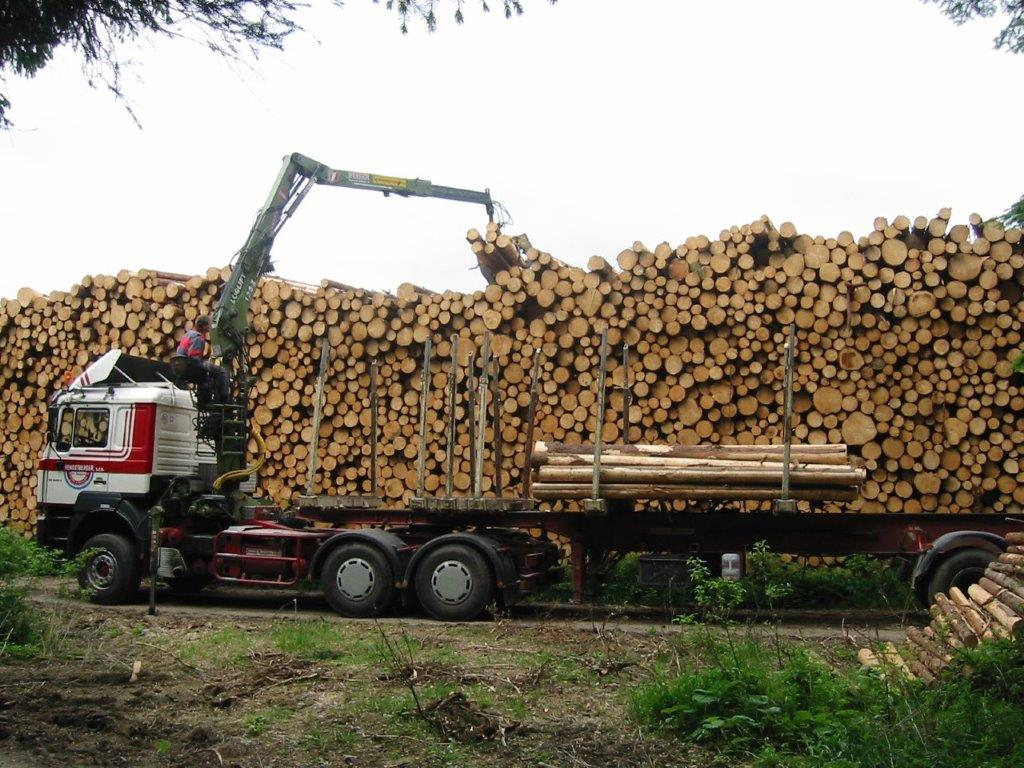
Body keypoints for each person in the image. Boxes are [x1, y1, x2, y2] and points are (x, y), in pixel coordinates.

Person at [174, 315, 230, 402]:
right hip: (190, 366)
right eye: (209, 324)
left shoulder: (188, 334)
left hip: (181, 366)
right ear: (204, 326)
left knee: (206, 376)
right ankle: (223, 401)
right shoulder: (198, 337)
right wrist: (206, 364)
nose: (211, 326)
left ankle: (204, 399)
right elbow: (194, 358)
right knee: (222, 372)